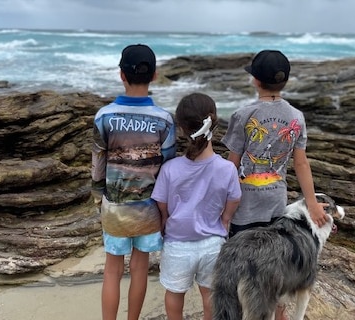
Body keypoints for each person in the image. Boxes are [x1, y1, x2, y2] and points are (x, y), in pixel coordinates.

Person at [220, 49, 329, 320]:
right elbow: (301, 164)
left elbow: (231, 165)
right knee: (274, 270)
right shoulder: (296, 117)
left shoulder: (243, 114)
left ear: (255, 80)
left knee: (243, 267)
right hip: (276, 207)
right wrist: (312, 204)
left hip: (244, 208)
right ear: (285, 81)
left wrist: (221, 206)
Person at [91, 44, 177, 320]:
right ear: (155, 75)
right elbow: (168, 167)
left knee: (112, 270)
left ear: (121, 75)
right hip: (149, 209)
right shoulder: (164, 120)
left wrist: (98, 195)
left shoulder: (104, 116)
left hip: (115, 207)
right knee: (140, 269)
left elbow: (98, 162)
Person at [151, 92, 242, 320]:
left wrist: (164, 219)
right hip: (213, 243)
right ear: (214, 123)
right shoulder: (226, 168)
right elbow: (235, 198)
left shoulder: (170, 168)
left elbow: (161, 203)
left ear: (181, 128)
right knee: (210, 296)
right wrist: (225, 219)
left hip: (177, 244)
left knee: (174, 294)